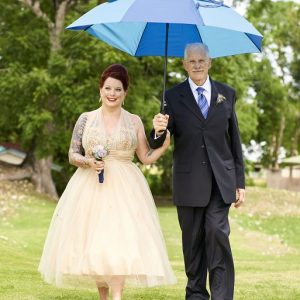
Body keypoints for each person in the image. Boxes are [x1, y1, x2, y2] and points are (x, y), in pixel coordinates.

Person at [38, 64, 176, 300]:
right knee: (96, 241)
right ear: (100, 90)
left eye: (118, 89)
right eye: (108, 88)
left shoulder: (133, 121)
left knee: (120, 240)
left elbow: (145, 157)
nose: (112, 93)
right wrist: (89, 162)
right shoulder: (86, 119)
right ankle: (103, 295)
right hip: (90, 186)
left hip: (126, 188)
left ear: (125, 93)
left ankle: (117, 296)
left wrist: (163, 145)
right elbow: (73, 154)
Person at [149, 43, 246, 300]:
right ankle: (195, 295)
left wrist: (240, 182)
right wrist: (158, 129)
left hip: (220, 181)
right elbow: (159, 141)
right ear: (184, 65)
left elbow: (234, 140)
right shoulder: (171, 96)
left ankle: (222, 296)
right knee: (192, 244)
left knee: (216, 233)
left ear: (210, 62)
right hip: (188, 182)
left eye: (201, 60)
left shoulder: (227, 93)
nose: (197, 65)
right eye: (192, 61)